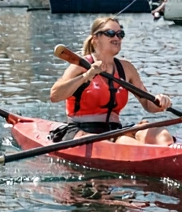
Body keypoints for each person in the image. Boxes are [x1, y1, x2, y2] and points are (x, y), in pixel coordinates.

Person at [48, 16, 175, 146]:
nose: (116, 38)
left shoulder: (127, 68)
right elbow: (55, 95)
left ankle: (169, 155)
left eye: (120, 34)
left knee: (162, 136)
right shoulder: (80, 66)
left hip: (113, 130)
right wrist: (87, 76)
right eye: (110, 33)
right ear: (95, 39)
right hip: (81, 130)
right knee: (125, 142)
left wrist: (160, 102)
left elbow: (148, 104)